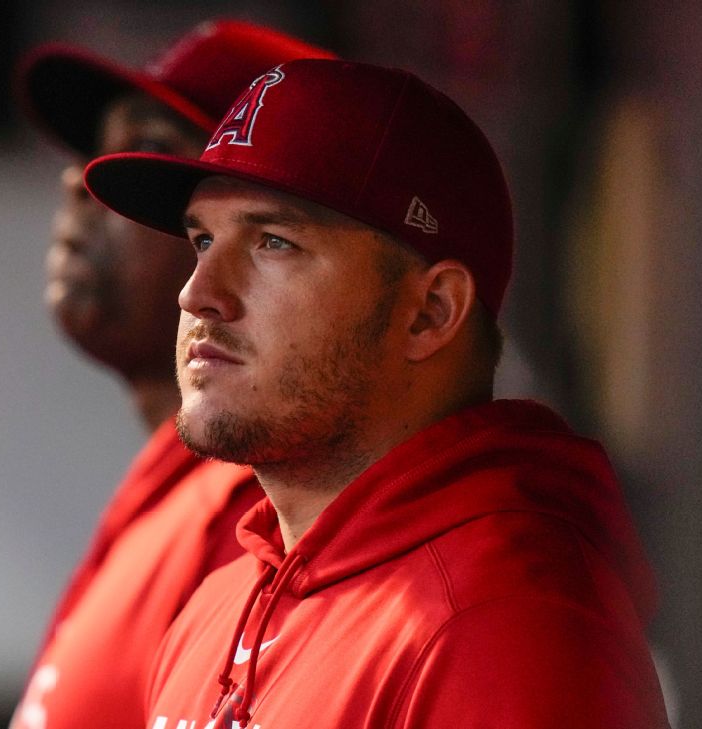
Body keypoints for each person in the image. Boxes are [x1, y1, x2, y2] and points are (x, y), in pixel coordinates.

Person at [83, 58, 671, 728]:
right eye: (203, 239)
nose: (197, 293)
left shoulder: (501, 623)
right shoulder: (217, 605)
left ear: (430, 311)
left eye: (274, 241)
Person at [9, 22, 333, 729]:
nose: (78, 179)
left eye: (150, 151)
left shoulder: (266, 509)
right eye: (94, 149)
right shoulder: (176, 485)